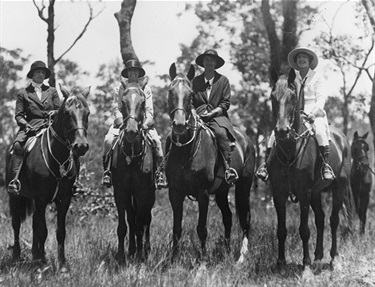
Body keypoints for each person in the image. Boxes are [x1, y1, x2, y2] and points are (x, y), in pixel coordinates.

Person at [256, 47, 335, 181]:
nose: (302, 60)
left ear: (309, 60)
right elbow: (287, 96)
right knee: (275, 133)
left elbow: (321, 99)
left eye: (305, 57)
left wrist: (313, 114)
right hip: (295, 111)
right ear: (296, 61)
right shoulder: (292, 78)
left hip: (314, 109)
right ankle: (266, 165)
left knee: (320, 131)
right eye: (299, 57)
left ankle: (325, 166)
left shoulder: (317, 77)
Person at [102, 59, 168, 189]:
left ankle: (160, 174)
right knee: (108, 140)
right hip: (123, 122)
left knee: (156, 141)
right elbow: (116, 108)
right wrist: (122, 121)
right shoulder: (119, 89)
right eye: (130, 71)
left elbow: (149, 110)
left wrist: (145, 123)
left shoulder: (146, 89)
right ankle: (107, 172)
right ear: (127, 73)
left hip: (141, 122)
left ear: (139, 73)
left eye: (135, 71)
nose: (133, 73)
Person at [8, 60, 61, 194]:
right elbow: (19, 115)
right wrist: (26, 125)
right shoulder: (23, 93)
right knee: (18, 146)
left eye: (43, 72)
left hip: (50, 126)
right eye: (38, 72)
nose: (41, 74)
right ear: (32, 74)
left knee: (69, 144)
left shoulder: (52, 91)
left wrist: (54, 113)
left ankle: (74, 181)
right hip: (31, 126)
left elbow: (59, 110)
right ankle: (15, 180)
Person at [191, 49, 239, 185]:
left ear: (216, 63)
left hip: (217, 117)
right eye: (207, 59)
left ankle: (228, 168)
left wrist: (212, 113)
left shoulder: (223, 80)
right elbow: (190, 101)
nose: (209, 62)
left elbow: (225, 102)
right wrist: (194, 112)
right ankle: (170, 171)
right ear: (203, 63)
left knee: (220, 133)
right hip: (197, 116)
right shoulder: (195, 81)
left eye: (212, 60)